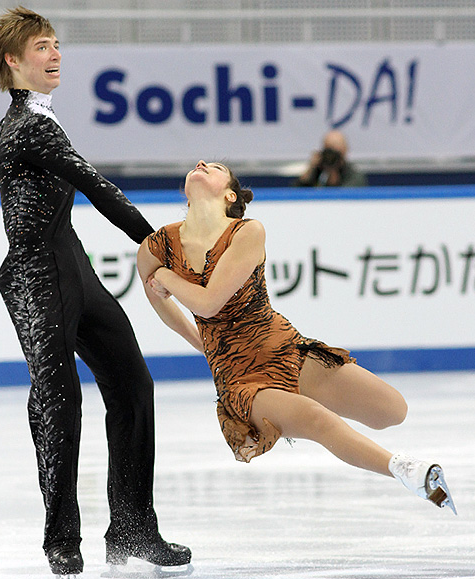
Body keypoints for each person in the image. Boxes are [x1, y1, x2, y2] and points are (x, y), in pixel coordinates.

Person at [0, 7, 190, 579]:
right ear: (14, 60)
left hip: (73, 269)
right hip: (34, 277)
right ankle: (62, 538)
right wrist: (162, 246)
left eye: (57, 45)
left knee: (132, 384)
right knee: (59, 398)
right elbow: (98, 188)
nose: (55, 55)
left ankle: (132, 526)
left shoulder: (20, 124)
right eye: (43, 46)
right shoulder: (27, 128)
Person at [136, 159, 456, 517]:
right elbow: (165, 308)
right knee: (319, 422)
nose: (202, 164)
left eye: (215, 166)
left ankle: (301, 405)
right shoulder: (155, 247)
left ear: (229, 194)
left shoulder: (247, 232)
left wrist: (167, 277)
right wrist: (206, 348)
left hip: (285, 349)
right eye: (201, 164)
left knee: (392, 410)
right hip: (242, 378)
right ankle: (406, 470)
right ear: (186, 192)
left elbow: (209, 302)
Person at [297, 130, 368, 187]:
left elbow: (346, 197)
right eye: (329, 150)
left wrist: (333, 174)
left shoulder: (353, 174)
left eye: (336, 151)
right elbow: (294, 193)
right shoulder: (317, 170)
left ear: (345, 150)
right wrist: (310, 168)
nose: (332, 156)